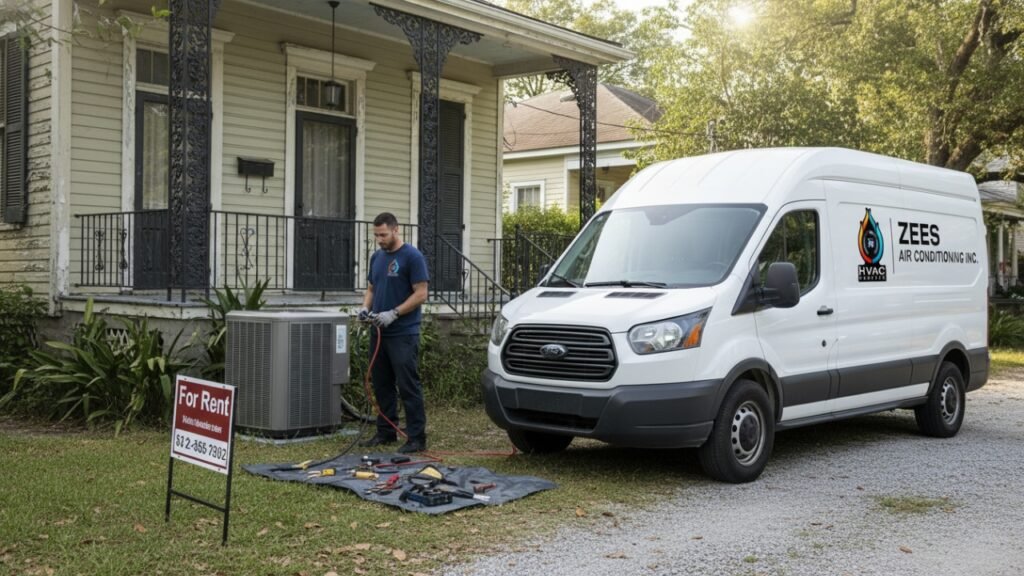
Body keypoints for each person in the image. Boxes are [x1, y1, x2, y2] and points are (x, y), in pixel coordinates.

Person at [358, 212, 430, 454]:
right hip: (379, 333)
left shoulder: (412, 256)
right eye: (376, 235)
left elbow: (421, 293)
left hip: (403, 333)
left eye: (383, 234)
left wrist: (394, 313)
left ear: (396, 230)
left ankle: (417, 438)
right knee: (382, 384)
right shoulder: (377, 257)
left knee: (408, 384)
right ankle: (386, 431)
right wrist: (365, 308)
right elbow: (371, 288)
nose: (379, 239)